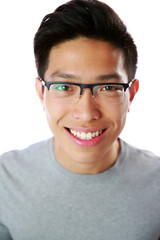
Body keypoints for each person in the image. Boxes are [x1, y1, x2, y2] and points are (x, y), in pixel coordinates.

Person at [0, 0, 160, 239]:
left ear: (131, 94)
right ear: (41, 93)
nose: (86, 113)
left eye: (108, 87)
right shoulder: (5, 180)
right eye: (64, 86)